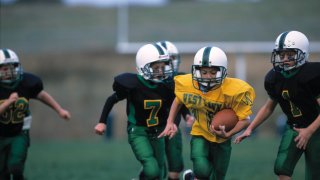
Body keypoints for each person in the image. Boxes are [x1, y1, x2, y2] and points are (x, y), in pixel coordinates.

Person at [159, 46, 256, 180]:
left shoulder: (234, 90)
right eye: (203, 72)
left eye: (212, 72)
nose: (208, 76)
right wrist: (170, 122)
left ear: (223, 72)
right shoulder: (188, 83)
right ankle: (196, 176)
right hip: (200, 133)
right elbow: (178, 100)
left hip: (222, 140)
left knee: (217, 177)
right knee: (201, 169)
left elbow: (245, 120)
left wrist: (228, 133)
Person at [235, 31, 320, 180]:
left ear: (303, 53)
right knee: (281, 168)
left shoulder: (312, 74)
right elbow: (269, 107)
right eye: (282, 55)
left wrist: (308, 131)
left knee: (314, 174)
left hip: (317, 128)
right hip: (294, 126)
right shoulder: (274, 77)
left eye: (290, 55)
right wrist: (250, 129)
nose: (284, 59)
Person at [94, 43, 176, 180]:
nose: (161, 71)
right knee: (152, 168)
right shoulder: (133, 84)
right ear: (143, 67)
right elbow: (111, 100)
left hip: (159, 131)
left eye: (163, 67)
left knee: (161, 169)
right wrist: (102, 122)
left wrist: (173, 122)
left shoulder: (166, 86)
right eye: (156, 68)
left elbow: (175, 106)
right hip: (138, 132)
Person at [0, 48, 71, 180]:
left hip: (19, 131)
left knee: (15, 168)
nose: (9, 71)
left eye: (11, 67)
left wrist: (59, 110)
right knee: (2, 174)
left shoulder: (25, 82)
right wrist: (8, 102)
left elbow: (41, 95)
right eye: (4, 68)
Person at [156, 40, 194, 180]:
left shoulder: (180, 78)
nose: (171, 63)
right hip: (155, 128)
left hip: (173, 129)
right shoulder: (150, 82)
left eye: (172, 58)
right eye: (168, 60)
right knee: (155, 166)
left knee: (175, 167)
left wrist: (187, 115)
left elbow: (180, 101)